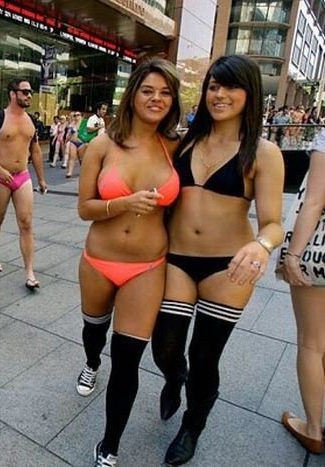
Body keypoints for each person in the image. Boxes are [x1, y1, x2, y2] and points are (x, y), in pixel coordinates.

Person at [151, 55, 284, 466]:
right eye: (213, 86)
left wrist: (260, 245)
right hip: (176, 259)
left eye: (230, 87)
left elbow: (275, 223)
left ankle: (193, 424)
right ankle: (176, 377)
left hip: (228, 267)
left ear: (249, 94)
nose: (219, 95)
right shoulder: (184, 141)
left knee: (207, 356)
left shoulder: (264, 152)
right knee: (166, 348)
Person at [74, 58, 181, 467]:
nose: (156, 99)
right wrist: (123, 202)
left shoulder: (175, 146)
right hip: (99, 260)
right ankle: (89, 362)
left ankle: (109, 446)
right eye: (148, 90)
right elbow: (84, 208)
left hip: (148, 267)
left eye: (166, 92)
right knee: (93, 332)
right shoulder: (103, 144)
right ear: (132, 94)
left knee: (129, 358)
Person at [279, 130, 325, 454]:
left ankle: (312, 429)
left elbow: (315, 199)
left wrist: (292, 255)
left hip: (319, 257)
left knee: (312, 344)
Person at [0, 78, 49, 289]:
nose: (29, 95)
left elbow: (35, 151)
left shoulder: (31, 121)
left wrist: (41, 178)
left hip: (22, 177)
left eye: (30, 92)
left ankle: (29, 272)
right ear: (13, 94)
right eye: (25, 92)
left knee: (26, 223)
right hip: (0, 178)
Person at [64, 111, 84, 178]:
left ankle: (83, 170)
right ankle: (69, 172)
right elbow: (69, 134)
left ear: (81, 116)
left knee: (81, 159)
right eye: (75, 115)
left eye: (78, 115)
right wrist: (66, 141)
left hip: (81, 142)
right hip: (73, 142)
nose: (76, 117)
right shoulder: (72, 124)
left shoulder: (84, 124)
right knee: (72, 157)